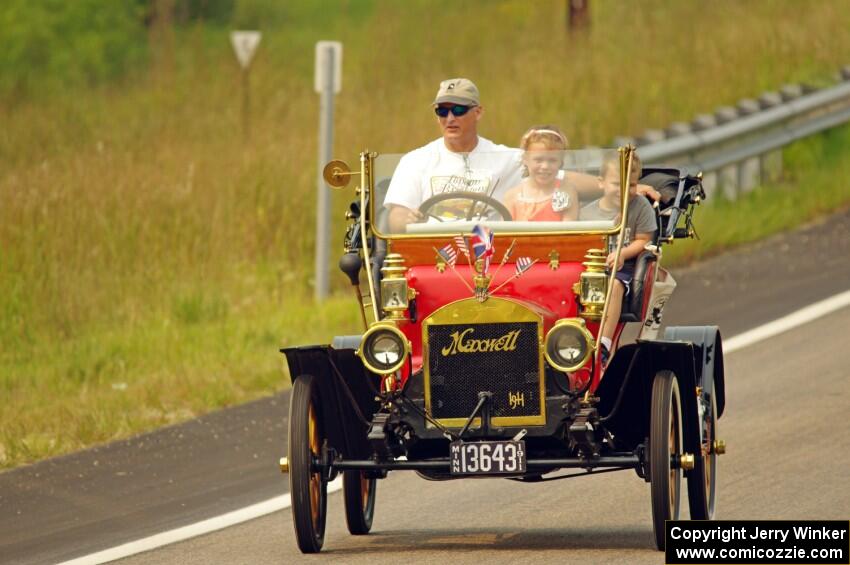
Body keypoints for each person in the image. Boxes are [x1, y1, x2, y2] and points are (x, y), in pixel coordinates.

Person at [383, 78, 521, 232]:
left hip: (490, 249)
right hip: (432, 248)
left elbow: (546, 174)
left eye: (458, 110)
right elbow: (397, 216)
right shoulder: (414, 161)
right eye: (442, 111)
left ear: (478, 113)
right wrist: (407, 221)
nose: (449, 118)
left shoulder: (510, 159)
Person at [580, 152, 657, 368]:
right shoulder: (587, 213)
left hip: (624, 269)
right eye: (617, 184)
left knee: (613, 285)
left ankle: (603, 345)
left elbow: (644, 240)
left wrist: (622, 254)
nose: (625, 191)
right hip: (592, 268)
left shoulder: (640, 206)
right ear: (601, 183)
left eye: (631, 185)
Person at [502, 126, 580, 221]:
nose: (545, 166)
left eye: (552, 160)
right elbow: (504, 232)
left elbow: (569, 230)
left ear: (561, 161)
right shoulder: (512, 196)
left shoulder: (566, 190)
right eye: (538, 160)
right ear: (525, 159)